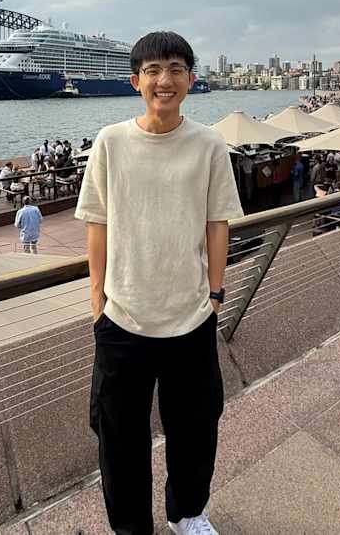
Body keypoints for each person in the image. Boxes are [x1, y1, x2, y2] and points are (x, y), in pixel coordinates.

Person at [76, 31, 243, 535]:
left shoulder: (209, 144)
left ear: (190, 79)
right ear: (135, 81)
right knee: (118, 437)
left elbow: (217, 222)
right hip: (122, 316)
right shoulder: (110, 142)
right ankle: (131, 528)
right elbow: (97, 224)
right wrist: (97, 302)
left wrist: (215, 293)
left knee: (196, 428)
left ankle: (187, 513)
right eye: (152, 71)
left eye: (175, 69)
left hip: (191, 315)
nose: (163, 80)